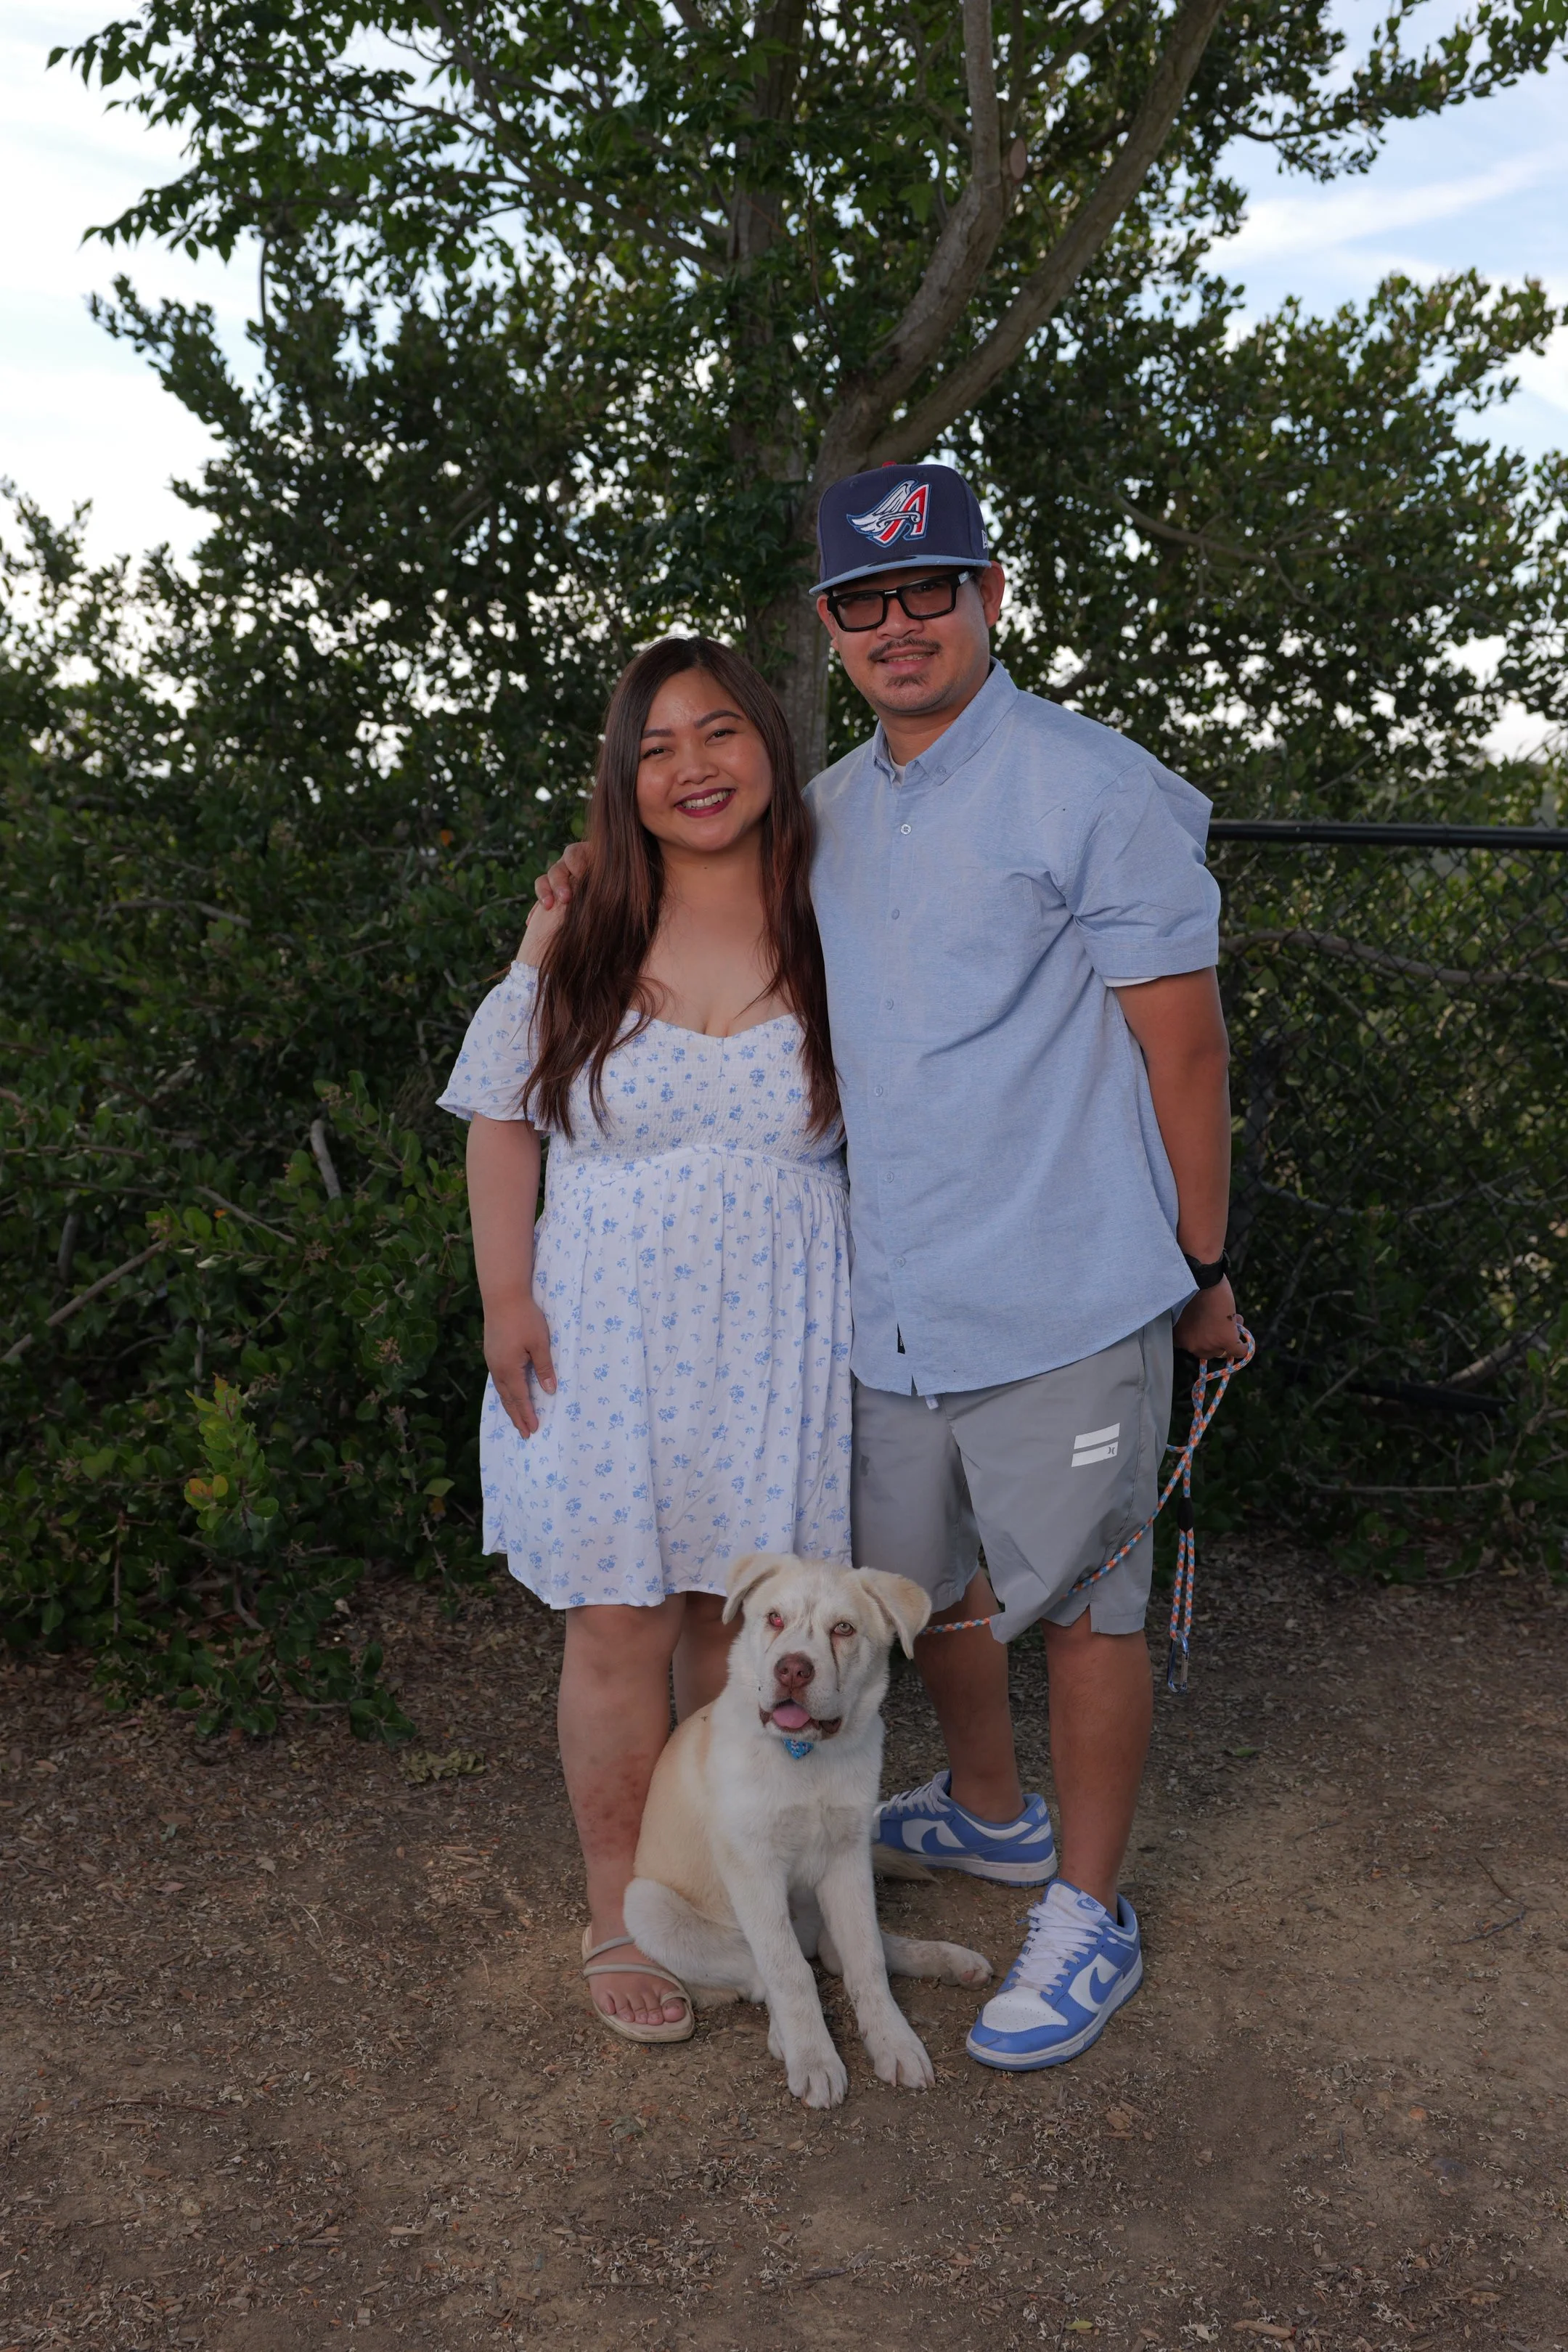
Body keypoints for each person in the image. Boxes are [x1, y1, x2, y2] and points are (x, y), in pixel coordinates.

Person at [536, 462, 1245, 2072]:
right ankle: (992, 1816)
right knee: (933, 1594)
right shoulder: (829, 816)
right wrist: (569, 902)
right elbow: (692, 919)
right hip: (884, 1305)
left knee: (1089, 1606)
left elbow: (1187, 1053)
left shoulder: (1095, 787)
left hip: (1069, 1290)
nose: (902, 623)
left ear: (991, 595)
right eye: (868, 601)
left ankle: (1085, 1909)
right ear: (833, 631)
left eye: (934, 589)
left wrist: (1202, 1266)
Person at [439, 637, 851, 2044]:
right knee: (621, 1624)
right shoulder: (585, 923)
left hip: (784, 1338)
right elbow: (502, 1110)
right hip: (607, 1332)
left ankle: (735, 1882)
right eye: (658, 746)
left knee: (743, 1632)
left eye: (720, 733)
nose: (693, 767)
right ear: (625, 780)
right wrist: (506, 1297)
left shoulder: (832, 914)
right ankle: (623, 1906)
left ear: (770, 751)